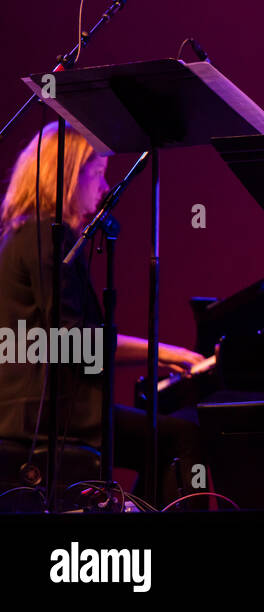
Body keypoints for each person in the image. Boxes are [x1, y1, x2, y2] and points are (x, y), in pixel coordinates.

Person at [0, 123, 205, 504]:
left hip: (24, 411)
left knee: (162, 440)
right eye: (97, 174)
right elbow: (77, 342)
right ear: (67, 176)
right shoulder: (48, 235)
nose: (105, 189)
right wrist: (167, 353)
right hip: (47, 418)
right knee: (182, 437)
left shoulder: (20, 234)